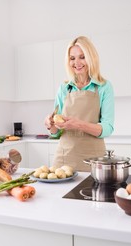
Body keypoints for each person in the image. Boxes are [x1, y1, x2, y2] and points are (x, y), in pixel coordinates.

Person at [44, 36, 115, 172]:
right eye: (72, 58)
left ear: (91, 58)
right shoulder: (64, 88)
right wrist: (50, 125)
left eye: (82, 57)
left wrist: (78, 124)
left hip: (94, 160)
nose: (77, 62)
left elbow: (107, 128)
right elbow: (56, 132)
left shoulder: (103, 87)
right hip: (64, 158)